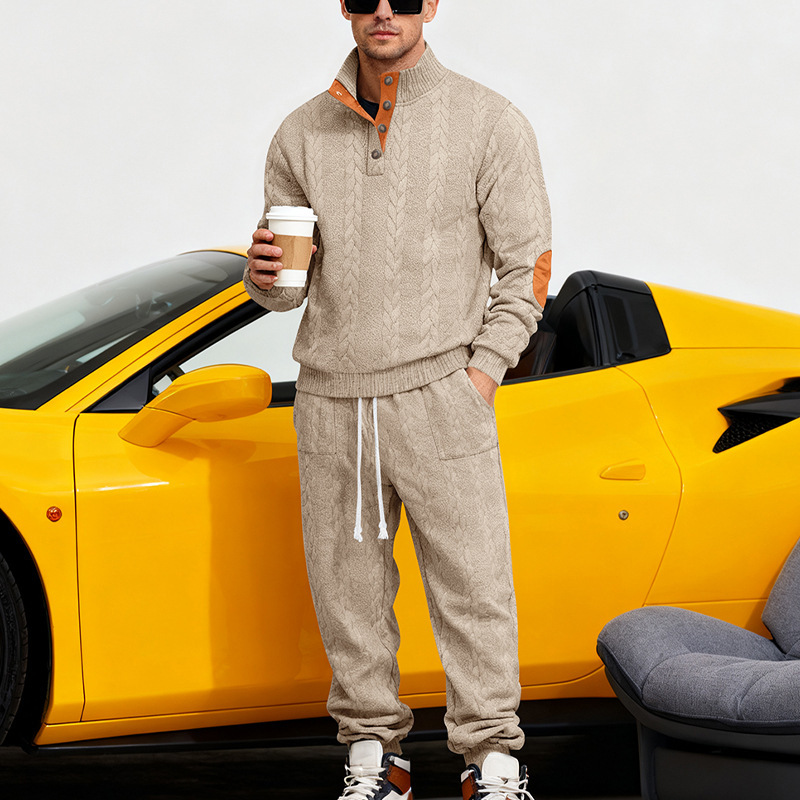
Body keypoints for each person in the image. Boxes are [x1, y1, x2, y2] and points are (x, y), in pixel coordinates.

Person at [245, 1, 551, 797]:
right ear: (343, 8)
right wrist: (264, 279)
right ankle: (374, 759)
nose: (385, 10)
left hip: (441, 393)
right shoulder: (300, 133)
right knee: (347, 592)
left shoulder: (489, 122)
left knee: (474, 586)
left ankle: (492, 760)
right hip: (331, 399)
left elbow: (527, 266)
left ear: (433, 5)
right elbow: (287, 288)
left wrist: (481, 373)